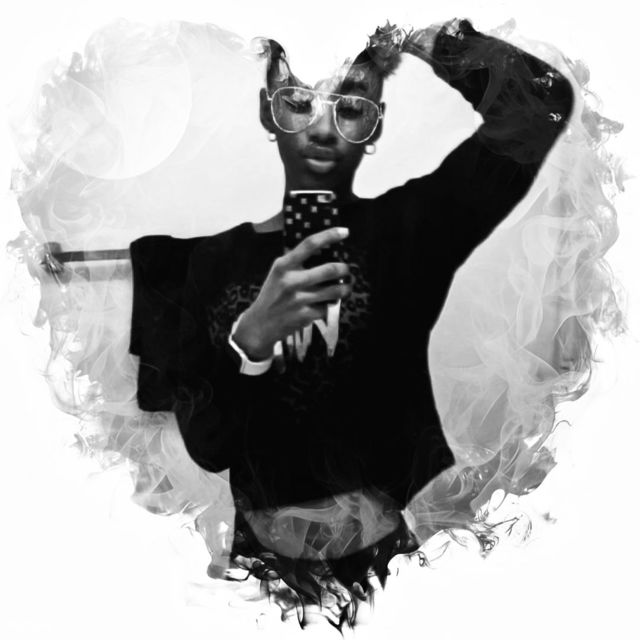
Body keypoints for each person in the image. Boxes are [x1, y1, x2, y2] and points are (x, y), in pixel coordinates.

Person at [129, 18, 574, 623]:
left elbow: (542, 106)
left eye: (352, 107)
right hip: (257, 586)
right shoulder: (199, 263)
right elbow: (210, 449)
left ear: (376, 126)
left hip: (401, 578)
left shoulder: (410, 229)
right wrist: (250, 339)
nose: (321, 127)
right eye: (297, 103)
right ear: (267, 112)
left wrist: (431, 40)